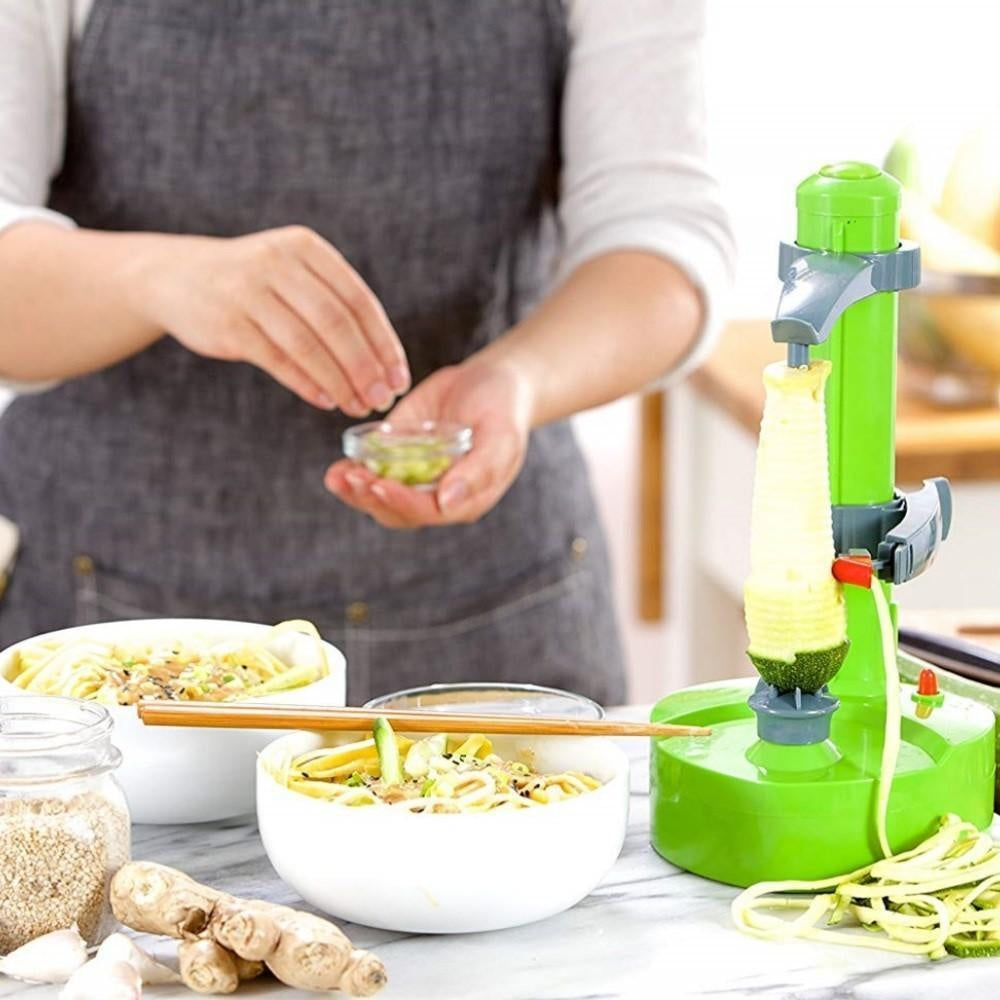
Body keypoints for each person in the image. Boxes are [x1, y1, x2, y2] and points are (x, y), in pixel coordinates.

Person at [0, 0, 734, 705]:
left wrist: (518, 378)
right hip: (101, 640)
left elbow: (660, 237)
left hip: (489, 630)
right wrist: (160, 281)